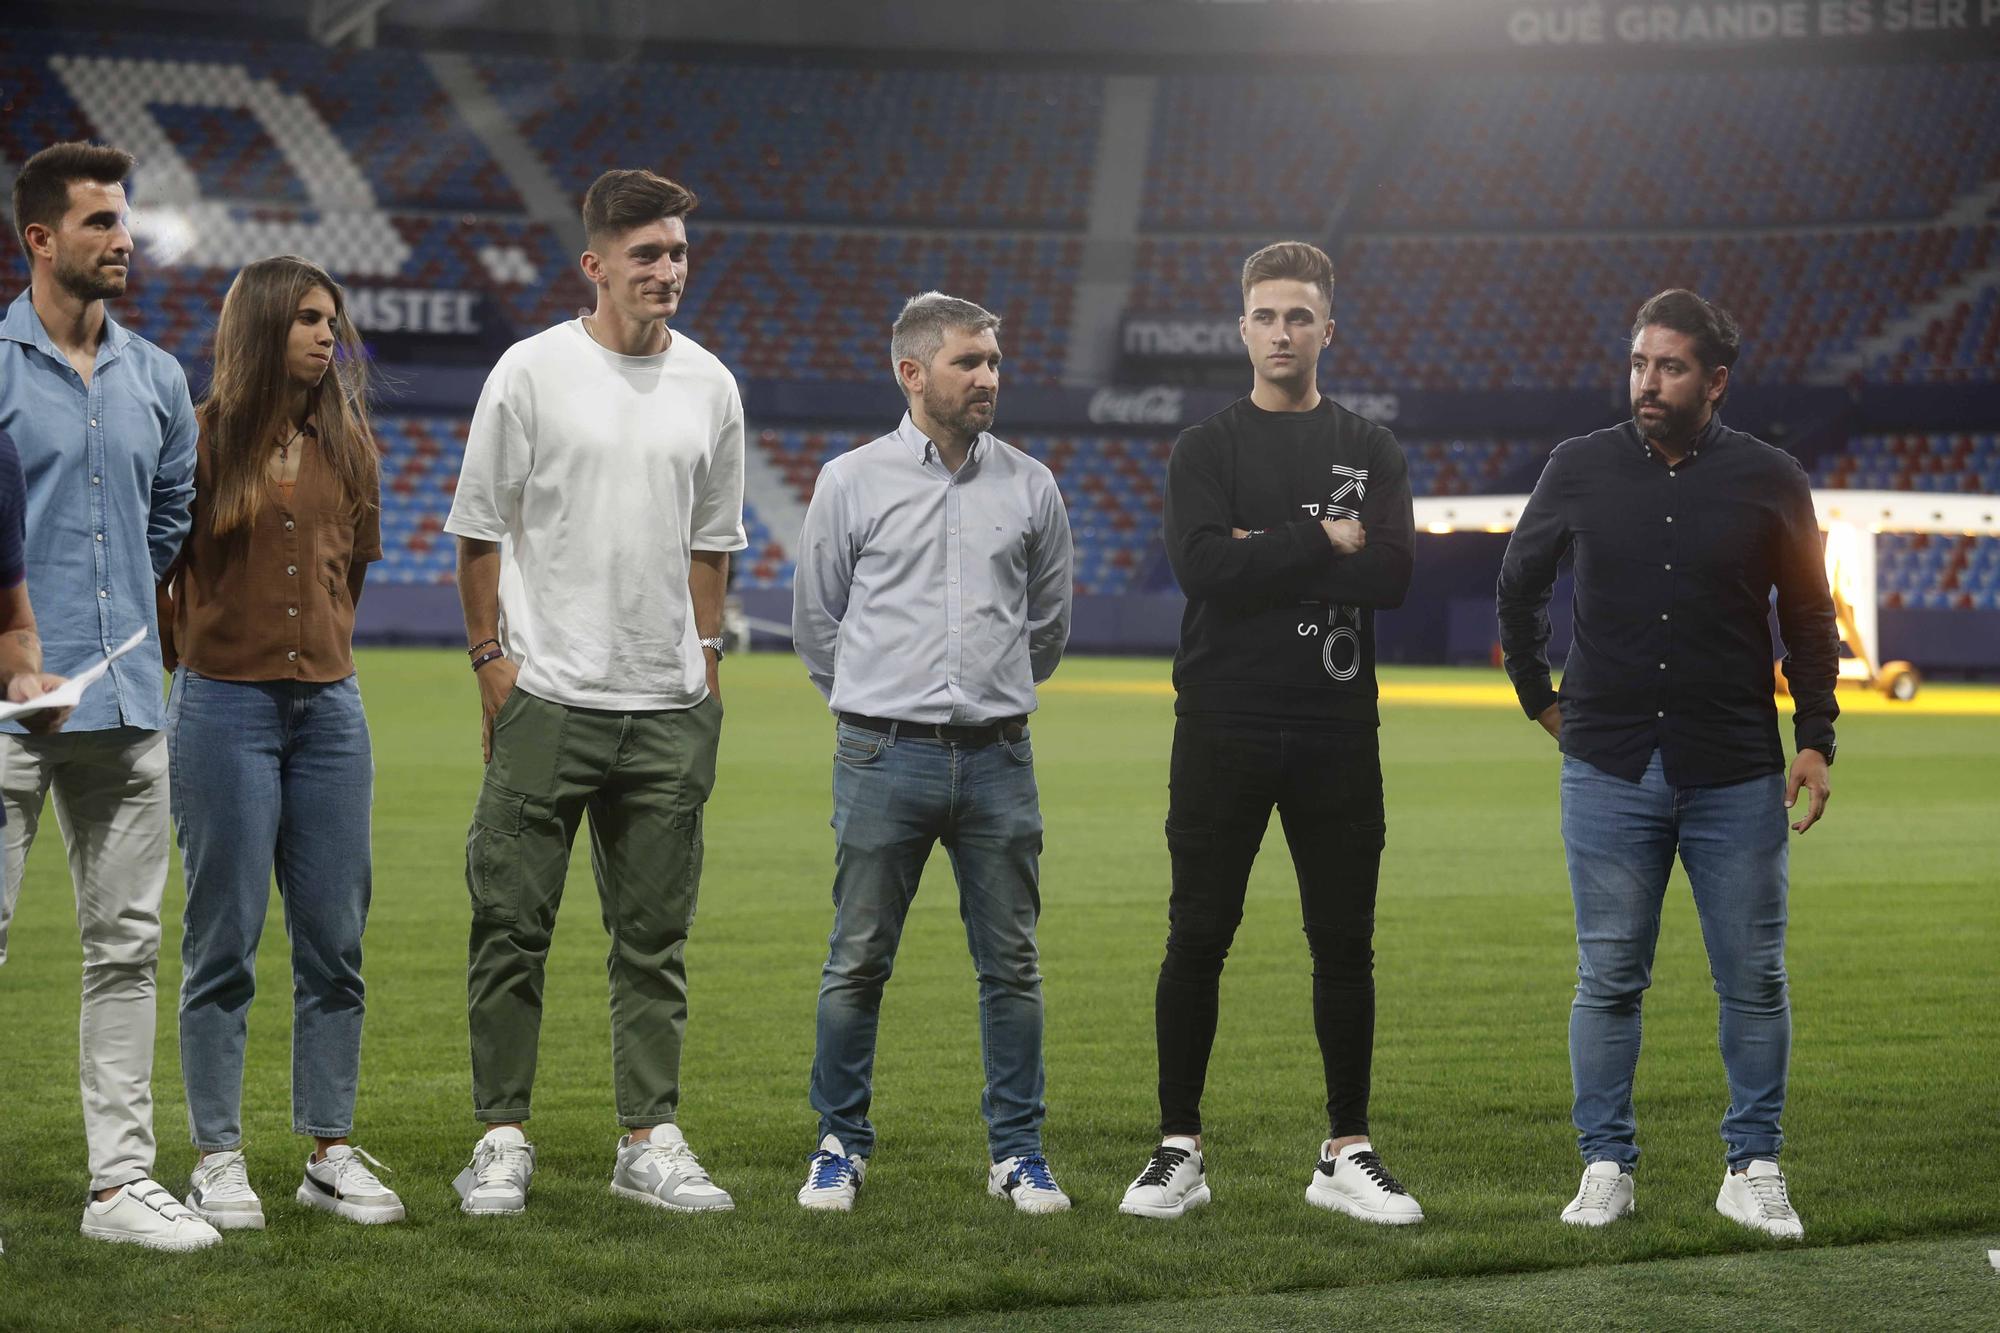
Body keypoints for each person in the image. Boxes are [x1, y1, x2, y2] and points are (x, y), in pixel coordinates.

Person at [1496, 288, 1837, 1239]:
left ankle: (1753, 1165)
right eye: (1641, 363)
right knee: (1607, 976)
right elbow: (1518, 583)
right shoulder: (1579, 467)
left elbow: (1809, 618)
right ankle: (1606, 1165)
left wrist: (1816, 736)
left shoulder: (1773, 479)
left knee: (1755, 978)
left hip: (1735, 767)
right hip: (1606, 766)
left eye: (1671, 366)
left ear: (1715, 380)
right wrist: (1540, 697)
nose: (1649, 382)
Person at [443, 168, 745, 1217]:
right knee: (510, 928)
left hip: (666, 707)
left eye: (676, 252)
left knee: (654, 942)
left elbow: (715, 544)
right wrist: (493, 665)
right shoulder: (529, 372)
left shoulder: (712, 384)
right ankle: (499, 1135)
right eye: (646, 254)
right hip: (550, 696)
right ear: (596, 264)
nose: (666, 270)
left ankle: (647, 1136)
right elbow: (478, 532)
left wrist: (705, 668)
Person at [1120, 241, 1422, 1225]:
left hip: (1335, 724)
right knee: (1196, 933)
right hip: (1221, 721)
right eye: (1265, 315)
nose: (1282, 331)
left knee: (1343, 942)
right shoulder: (1204, 447)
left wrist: (1264, 552)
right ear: (1240, 328)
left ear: (1326, 329)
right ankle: (1177, 1146)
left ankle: (1347, 1145)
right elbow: (1202, 569)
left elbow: (1389, 576)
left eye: (1299, 316)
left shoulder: (1369, 448)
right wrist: (1315, 541)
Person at [791, 292, 1075, 1214]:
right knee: (856, 962)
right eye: (969, 362)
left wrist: (987, 696)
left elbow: (1048, 628)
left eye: (993, 360)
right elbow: (816, 624)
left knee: (1014, 966)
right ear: (912, 372)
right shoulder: (850, 480)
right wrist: (881, 707)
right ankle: (838, 1145)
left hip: (1000, 756)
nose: (988, 377)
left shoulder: (1032, 483)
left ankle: (1018, 1153)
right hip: (883, 756)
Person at [0, 141, 213, 1250]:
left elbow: (168, 516)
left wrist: (120, 622)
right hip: (7, 708)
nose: (121, 238)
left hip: (127, 701)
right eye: (96, 223)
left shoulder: (160, 377)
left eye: (122, 221)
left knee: (126, 948)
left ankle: (120, 1186)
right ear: (40, 239)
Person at [160, 255, 400, 1230]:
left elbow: (357, 573)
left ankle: (328, 1150)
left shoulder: (352, 443)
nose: (325, 335)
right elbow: (157, 568)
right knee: (223, 942)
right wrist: (200, 657)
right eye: (306, 317)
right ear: (263, 326)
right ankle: (217, 1156)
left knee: (334, 943)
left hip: (332, 714)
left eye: (331, 320)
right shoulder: (200, 438)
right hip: (224, 710)